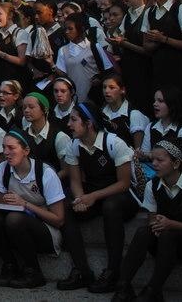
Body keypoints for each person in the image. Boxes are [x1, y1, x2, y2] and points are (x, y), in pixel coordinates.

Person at [112, 136, 182, 301]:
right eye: (153, 159)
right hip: (166, 243)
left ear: (176, 163)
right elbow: (152, 221)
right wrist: (158, 225)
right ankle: (123, 285)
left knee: (169, 234)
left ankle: (153, 290)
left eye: (160, 160)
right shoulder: (152, 185)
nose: (154, 164)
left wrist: (171, 224)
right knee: (143, 232)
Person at [57, 101, 135, 293]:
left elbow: (124, 183)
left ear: (89, 124)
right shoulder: (75, 145)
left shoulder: (114, 143)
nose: (69, 124)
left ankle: (113, 271)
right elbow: (75, 180)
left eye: (74, 120)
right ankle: (82, 270)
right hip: (93, 193)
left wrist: (92, 197)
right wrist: (80, 198)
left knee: (111, 207)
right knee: (66, 209)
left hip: (120, 195)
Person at [0, 130, 67, 288]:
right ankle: (10, 265)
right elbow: (3, 206)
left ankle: (34, 272)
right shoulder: (3, 169)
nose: (6, 152)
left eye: (11, 148)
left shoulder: (46, 173)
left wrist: (26, 204)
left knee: (15, 219)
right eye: (4, 147)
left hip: (46, 231)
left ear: (26, 151)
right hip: (16, 229)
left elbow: (59, 220)